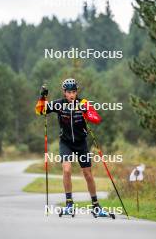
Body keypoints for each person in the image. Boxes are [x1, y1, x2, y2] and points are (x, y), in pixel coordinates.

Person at [35, 78, 107, 216]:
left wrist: (86, 112)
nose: (72, 95)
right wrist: (42, 97)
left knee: (88, 174)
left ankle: (96, 206)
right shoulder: (59, 104)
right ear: (64, 92)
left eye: (74, 91)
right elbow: (39, 111)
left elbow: (97, 119)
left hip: (81, 143)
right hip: (66, 143)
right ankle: (69, 204)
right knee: (67, 170)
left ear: (76, 92)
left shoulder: (83, 103)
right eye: (69, 92)